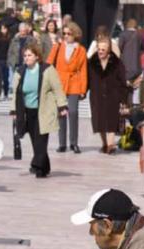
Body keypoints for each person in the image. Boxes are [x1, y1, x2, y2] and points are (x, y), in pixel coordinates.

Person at [10, 43, 68, 178]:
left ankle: (37, 167)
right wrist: (14, 111)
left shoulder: (47, 70)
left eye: (29, 55)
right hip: (27, 113)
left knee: (41, 141)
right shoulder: (20, 72)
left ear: (37, 56)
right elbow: (15, 93)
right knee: (35, 142)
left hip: (44, 111)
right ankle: (45, 166)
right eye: (24, 55)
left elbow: (57, 88)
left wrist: (62, 106)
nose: (26, 58)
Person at [47, 22, 87, 154]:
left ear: (75, 34)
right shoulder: (58, 47)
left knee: (74, 112)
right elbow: (48, 64)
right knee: (61, 114)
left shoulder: (81, 50)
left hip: (74, 82)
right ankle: (62, 143)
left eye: (69, 33)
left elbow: (83, 70)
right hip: (59, 83)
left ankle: (74, 143)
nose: (66, 36)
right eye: (64, 33)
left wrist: (83, 89)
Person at [87, 37, 127, 155]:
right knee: (99, 122)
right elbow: (87, 79)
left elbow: (122, 81)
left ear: (108, 50)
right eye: (99, 49)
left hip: (113, 95)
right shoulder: (91, 62)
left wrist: (123, 98)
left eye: (103, 50)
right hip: (97, 95)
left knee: (111, 120)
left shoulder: (117, 63)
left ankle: (110, 145)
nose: (100, 52)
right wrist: (83, 91)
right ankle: (105, 143)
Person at [118, 18, 143, 104]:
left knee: (125, 87)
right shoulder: (139, 35)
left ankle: (125, 105)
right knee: (132, 88)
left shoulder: (123, 34)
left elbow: (119, 48)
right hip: (137, 66)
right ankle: (130, 106)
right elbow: (142, 48)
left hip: (126, 65)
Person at [0, 23, 12, 100]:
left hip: (6, 59)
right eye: (3, 28)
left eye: (5, 28)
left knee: (6, 78)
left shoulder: (9, 38)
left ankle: (6, 93)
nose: (4, 30)